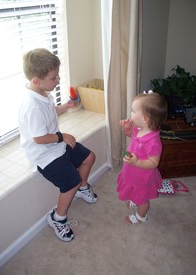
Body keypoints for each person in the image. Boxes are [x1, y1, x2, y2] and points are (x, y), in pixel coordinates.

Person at [18, 48, 98, 242]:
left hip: (56, 145)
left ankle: (82, 188)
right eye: (54, 78)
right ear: (36, 80)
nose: (59, 80)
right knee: (71, 182)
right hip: (44, 154)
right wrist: (62, 136)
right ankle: (57, 218)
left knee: (89, 157)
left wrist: (65, 107)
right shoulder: (31, 105)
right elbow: (39, 138)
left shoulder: (43, 93)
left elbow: (49, 113)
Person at [117, 91, 167, 224]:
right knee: (134, 191)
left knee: (142, 199)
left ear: (145, 119)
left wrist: (137, 161)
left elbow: (153, 162)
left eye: (133, 111)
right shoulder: (139, 129)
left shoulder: (154, 142)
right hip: (132, 171)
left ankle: (141, 217)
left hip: (142, 177)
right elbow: (130, 135)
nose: (131, 114)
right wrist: (126, 129)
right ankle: (135, 199)